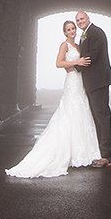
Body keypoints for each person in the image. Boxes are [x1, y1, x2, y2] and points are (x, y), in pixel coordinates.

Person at [5, 20, 101, 178]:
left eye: (73, 29)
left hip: (81, 80)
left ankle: (82, 152)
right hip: (72, 80)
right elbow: (58, 63)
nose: (71, 31)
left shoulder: (78, 45)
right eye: (68, 29)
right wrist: (77, 61)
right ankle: (64, 152)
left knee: (82, 110)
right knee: (70, 110)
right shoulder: (65, 45)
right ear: (64, 32)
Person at [75, 10, 111, 168]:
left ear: (88, 18)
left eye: (82, 18)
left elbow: (90, 57)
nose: (80, 22)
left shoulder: (97, 33)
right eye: (78, 20)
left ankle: (106, 155)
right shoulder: (85, 34)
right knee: (97, 117)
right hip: (91, 82)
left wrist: (73, 66)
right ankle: (101, 152)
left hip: (98, 81)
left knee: (102, 116)